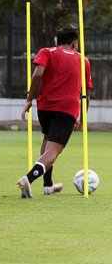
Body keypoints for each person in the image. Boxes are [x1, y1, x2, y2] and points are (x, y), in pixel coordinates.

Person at [17, 27, 93, 198]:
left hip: (44, 106)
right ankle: (27, 179)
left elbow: (37, 75)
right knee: (54, 151)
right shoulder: (84, 61)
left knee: (47, 139)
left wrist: (30, 99)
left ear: (57, 41)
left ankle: (48, 185)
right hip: (67, 109)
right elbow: (86, 95)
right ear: (74, 42)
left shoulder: (46, 52)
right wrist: (82, 116)